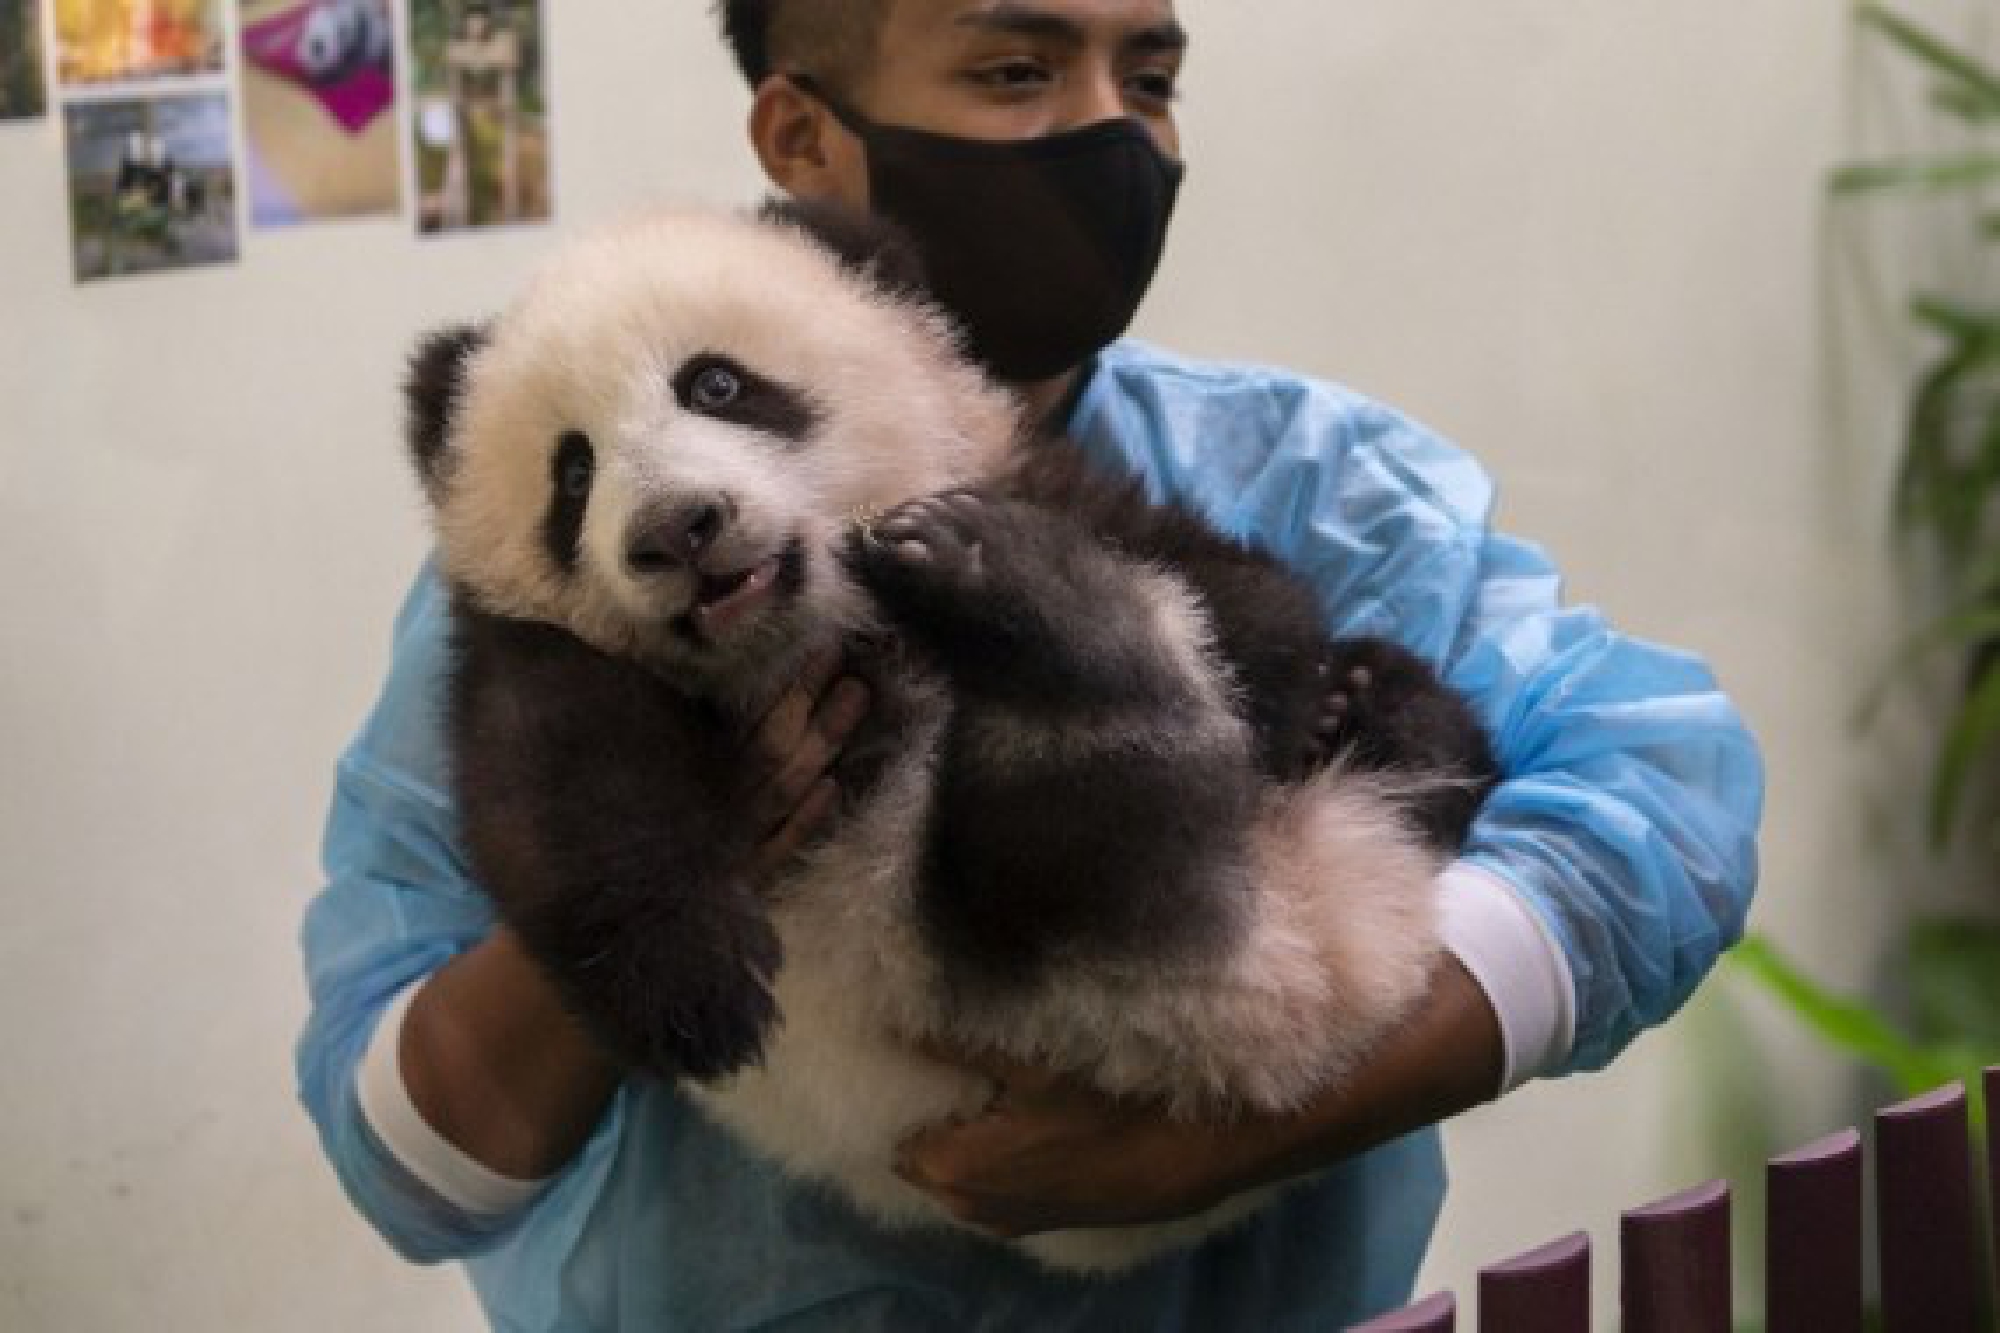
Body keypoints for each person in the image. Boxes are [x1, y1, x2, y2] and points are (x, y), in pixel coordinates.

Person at [296, 2, 1764, 1328]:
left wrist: (1246, 1122)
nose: (1109, 131)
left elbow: (1667, 810)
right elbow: (410, 1169)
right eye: (1017, 69)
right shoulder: (535, 615)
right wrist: (660, 876)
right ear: (802, 140)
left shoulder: (1308, 477)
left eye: (1153, 74)